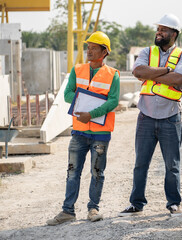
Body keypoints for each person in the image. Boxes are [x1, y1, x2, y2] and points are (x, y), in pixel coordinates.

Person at [118, 14, 182, 217]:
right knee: (141, 163)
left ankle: (173, 203)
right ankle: (136, 203)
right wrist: (166, 70)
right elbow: (138, 71)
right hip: (146, 117)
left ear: (174, 34)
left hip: (171, 117)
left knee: (172, 165)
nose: (159, 32)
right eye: (158, 29)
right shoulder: (146, 52)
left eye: (164, 29)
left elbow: (180, 77)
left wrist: (153, 74)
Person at [46, 31, 120, 225]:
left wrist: (91, 113)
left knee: (97, 172)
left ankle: (93, 208)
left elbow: (113, 101)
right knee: (72, 171)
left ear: (104, 52)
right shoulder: (77, 70)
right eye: (88, 47)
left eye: (94, 47)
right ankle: (67, 211)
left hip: (101, 133)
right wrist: (83, 102)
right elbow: (67, 94)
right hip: (79, 131)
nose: (89, 50)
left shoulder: (113, 75)